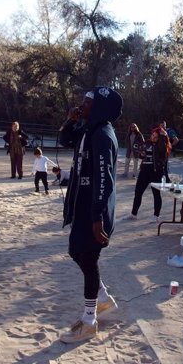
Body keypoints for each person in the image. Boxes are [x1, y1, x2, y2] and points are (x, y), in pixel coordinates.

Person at [58, 86, 123, 344]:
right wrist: (70, 121)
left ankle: (89, 321)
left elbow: (105, 179)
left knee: (89, 258)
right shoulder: (88, 129)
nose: (80, 106)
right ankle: (103, 297)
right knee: (76, 252)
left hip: (95, 211)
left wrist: (97, 217)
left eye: (86, 103)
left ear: (98, 108)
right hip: (82, 205)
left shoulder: (103, 135)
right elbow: (65, 140)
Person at [126, 126, 171, 222]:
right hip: (144, 170)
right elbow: (141, 155)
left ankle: (156, 216)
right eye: (152, 135)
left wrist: (163, 137)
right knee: (138, 192)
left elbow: (163, 151)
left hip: (155, 171)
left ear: (159, 138)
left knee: (156, 193)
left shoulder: (161, 144)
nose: (153, 137)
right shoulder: (147, 143)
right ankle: (133, 214)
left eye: (155, 136)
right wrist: (141, 154)